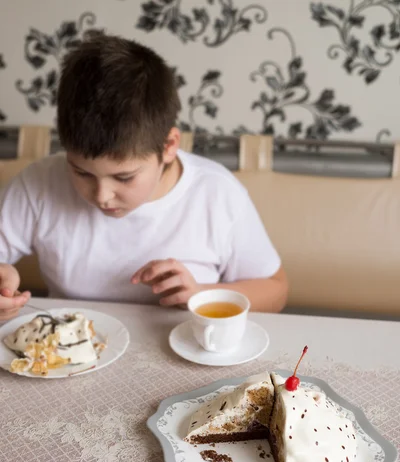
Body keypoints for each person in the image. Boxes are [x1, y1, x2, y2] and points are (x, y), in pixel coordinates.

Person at [0, 34, 288, 323]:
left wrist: (201, 295)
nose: (102, 196)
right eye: (81, 172)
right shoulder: (37, 184)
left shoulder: (217, 193)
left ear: (169, 146)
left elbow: (276, 291)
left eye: (124, 177)